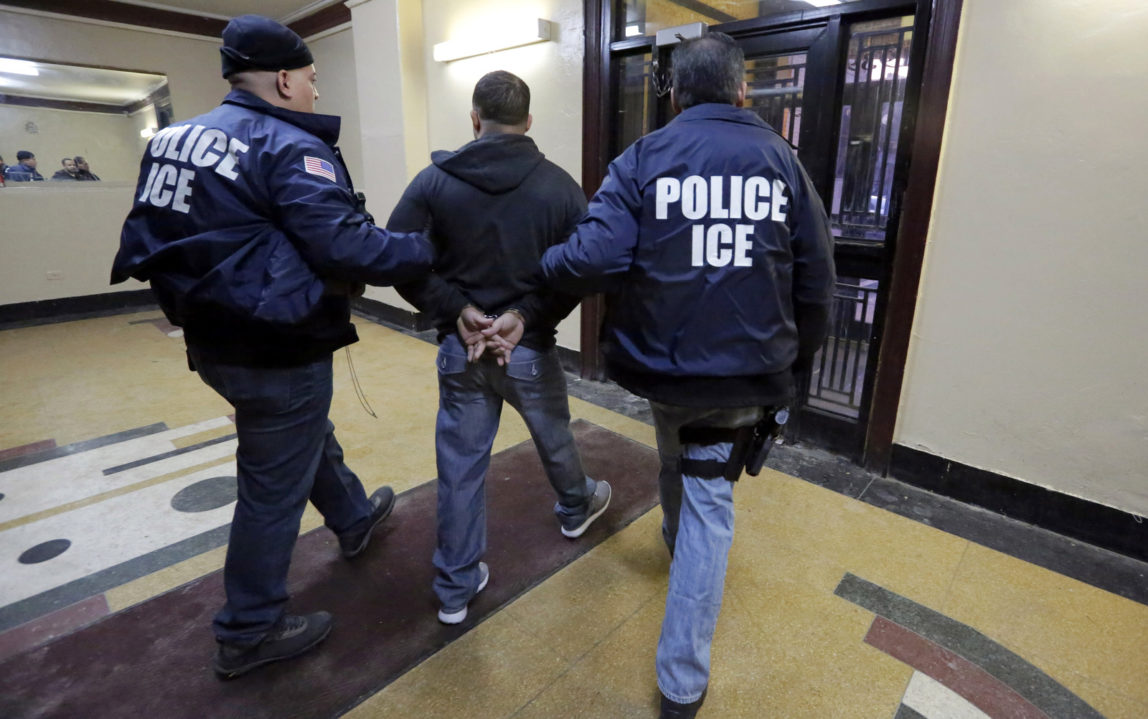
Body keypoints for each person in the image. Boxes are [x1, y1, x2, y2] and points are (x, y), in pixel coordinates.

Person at [111, 15, 435, 679]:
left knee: (293, 433)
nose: (316, 93)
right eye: (313, 81)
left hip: (210, 339)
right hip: (276, 341)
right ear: (285, 79)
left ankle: (351, 516)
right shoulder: (288, 144)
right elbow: (346, 245)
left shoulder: (174, 137)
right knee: (270, 482)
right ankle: (248, 628)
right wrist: (427, 247)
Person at [540, 33, 835, 718]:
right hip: (744, 374)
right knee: (707, 496)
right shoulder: (782, 163)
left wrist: (541, 270)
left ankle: (678, 563)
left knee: (682, 453)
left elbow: (594, 259)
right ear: (742, 91)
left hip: (663, 366)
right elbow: (817, 282)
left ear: (674, 93)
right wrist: (794, 371)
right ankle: (681, 681)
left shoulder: (643, 157)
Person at [387, 70, 611, 625]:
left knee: (460, 467)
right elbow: (581, 273)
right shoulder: (561, 187)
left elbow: (394, 258)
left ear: (474, 118)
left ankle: (456, 586)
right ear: (529, 122)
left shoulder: (433, 183)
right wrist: (522, 316)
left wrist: (455, 310)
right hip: (528, 350)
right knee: (555, 436)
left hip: (461, 350)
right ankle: (577, 506)